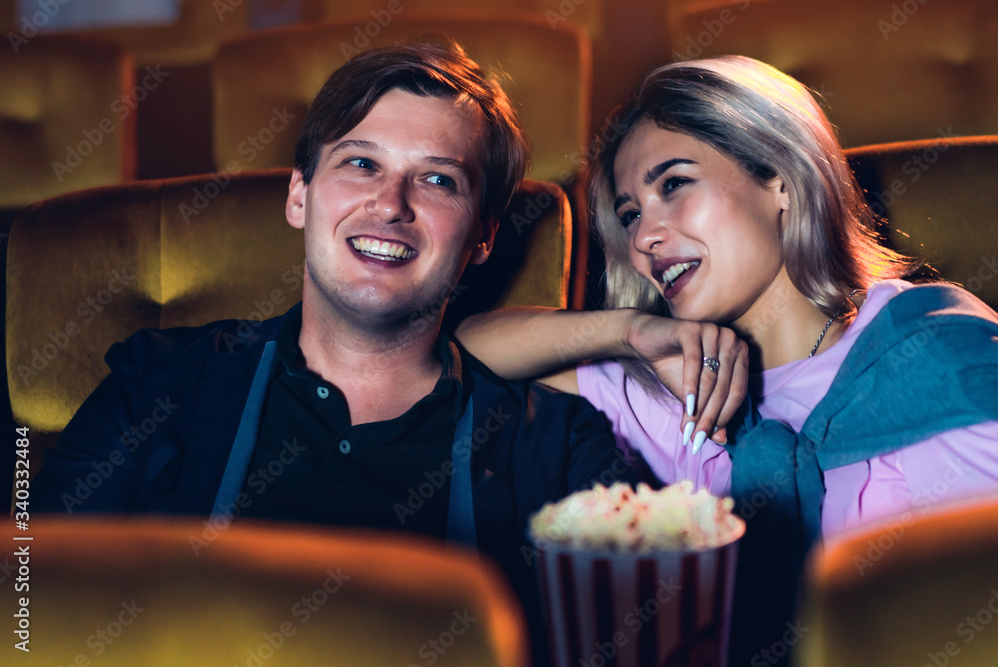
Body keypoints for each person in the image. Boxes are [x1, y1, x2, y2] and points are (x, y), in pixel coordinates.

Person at [31, 42, 635, 658]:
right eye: (361, 164)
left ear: (483, 236)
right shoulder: (153, 385)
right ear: (300, 195)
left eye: (437, 179)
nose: (391, 204)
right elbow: (32, 619)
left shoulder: (560, 450)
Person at [456, 55, 998, 665]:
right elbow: (458, 356)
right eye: (631, 214)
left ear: (780, 179)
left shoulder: (939, 354)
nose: (643, 239)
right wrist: (629, 330)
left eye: (675, 184)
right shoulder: (670, 383)